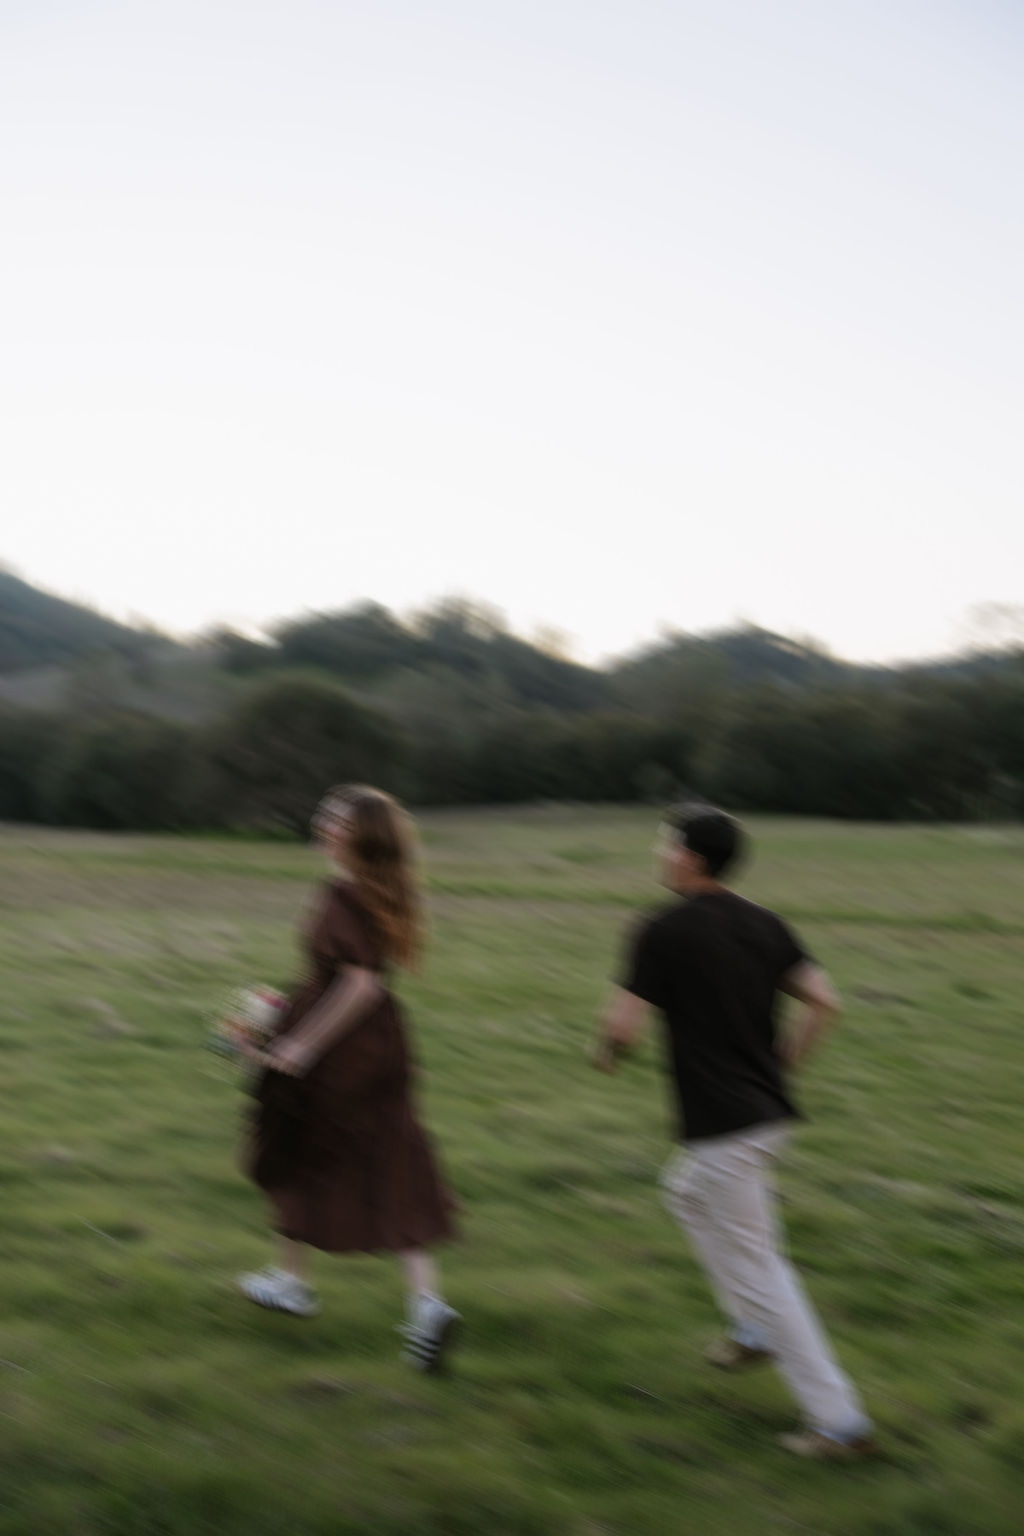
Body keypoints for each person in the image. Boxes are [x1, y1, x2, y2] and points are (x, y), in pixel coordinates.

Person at [593, 803, 875, 1460]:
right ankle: (749, 1329)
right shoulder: (766, 924)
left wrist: (607, 1052)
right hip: (765, 1114)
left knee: (766, 1268)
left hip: (724, 1126)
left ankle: (839, 1422)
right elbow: (826, 1003)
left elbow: (623, 1026)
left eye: (665, 844)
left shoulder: (660, 930)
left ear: (690, 857)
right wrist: (780, 1067)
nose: (658, 853)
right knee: (685, 1193)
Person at [239, 784, 460, 1373]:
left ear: (360, 835)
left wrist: (299, 1048)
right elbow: (354, 981)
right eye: (325, 814)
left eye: (337, 819)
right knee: (393, 1163)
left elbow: (359, 984)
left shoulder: (342, 893)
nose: (324, 823)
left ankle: (291, 1281)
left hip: (338, 1049)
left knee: (292, 1147)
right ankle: (426, 1306)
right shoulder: (381, 890)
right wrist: (275, 1015)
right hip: (380, 1047)